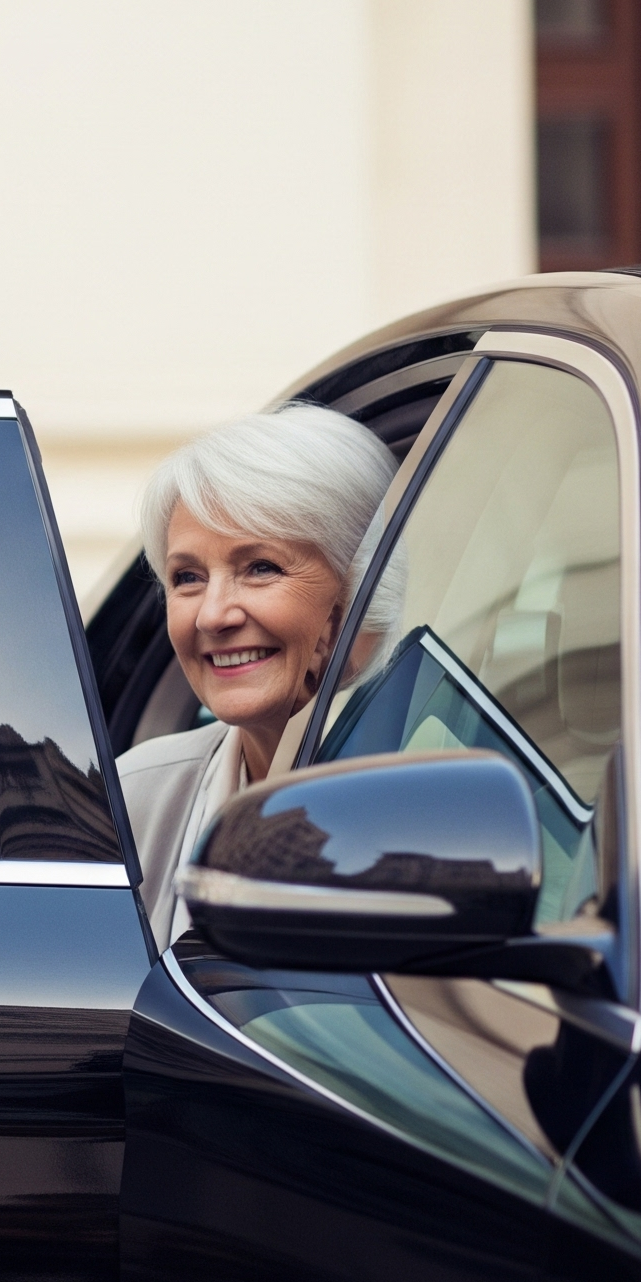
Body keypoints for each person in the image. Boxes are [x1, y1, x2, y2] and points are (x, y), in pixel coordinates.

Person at [114, 403, 397, 943]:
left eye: (261, 567)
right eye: (188, 577)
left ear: (367, 587)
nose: (214, 614)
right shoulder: (136, 798)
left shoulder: (456, 798)